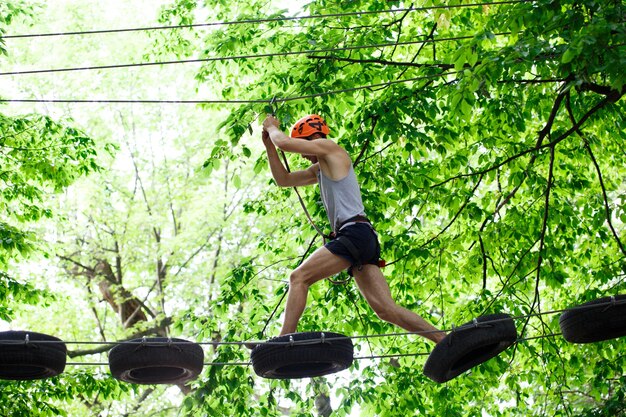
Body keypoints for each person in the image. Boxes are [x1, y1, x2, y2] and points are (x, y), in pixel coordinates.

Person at [261, 114, 445, 344]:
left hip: (354, 233)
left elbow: (286, 144)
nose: (304, 155)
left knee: (298, 277)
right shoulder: (321, 167)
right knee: (385, 310)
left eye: (305, 146)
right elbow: (284, 180)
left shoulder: (329, 148)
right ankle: (442, 339)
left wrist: (271, 128)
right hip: (361, 237)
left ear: (312, 136)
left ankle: (284, 342)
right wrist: (269, 145)